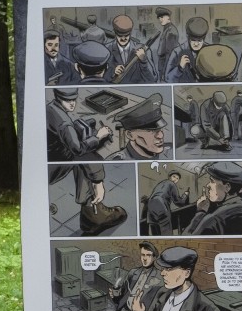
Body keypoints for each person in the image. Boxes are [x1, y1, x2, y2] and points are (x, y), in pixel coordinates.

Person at [46, 87, 127, 235]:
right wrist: (98, 181)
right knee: (86, 158)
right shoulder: (64, 123)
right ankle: (92, 213)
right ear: (59, 98)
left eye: (73, 100)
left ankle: (89, 215)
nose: (72, 104)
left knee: (83, 148)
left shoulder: (50, 108)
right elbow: (78, 150)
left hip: (50, 155)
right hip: (50, 167)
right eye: (67, 100)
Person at [134, 246, 222, 311]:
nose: (162, 273)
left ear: (186, 273)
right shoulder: (161, 293)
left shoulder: (206, 309)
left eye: (169, 269)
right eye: (163, 268)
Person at [184, 162, 242, 235]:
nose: (208, 185)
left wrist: (200, 212)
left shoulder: (213, 219)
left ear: (227, 187)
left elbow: (185, 241)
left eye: (212, 181)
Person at [105, 93, 173, 160]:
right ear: (130, 135)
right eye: (150, 130)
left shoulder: (171, 150)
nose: (160, 135)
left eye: (160, 129)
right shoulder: (116, 162)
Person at [109, 241, 162, 311]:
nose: (145, 258)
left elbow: (159, 307)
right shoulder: (133, 272)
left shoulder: (159, 276)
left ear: (154, 258)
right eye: (143, 255)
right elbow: (123, 295)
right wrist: (115, 295)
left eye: (148, 255)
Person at [105, 14, 157, 84]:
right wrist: (112, 71)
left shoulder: (142, 50)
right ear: (114, 33)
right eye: (120, 35)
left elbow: (153, 79)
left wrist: (143, 62)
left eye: (126, 35)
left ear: (130, 33)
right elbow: (100, 78)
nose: (123, 38)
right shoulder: (107, 49)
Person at [165, 16, 209, 83]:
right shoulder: (177, 52)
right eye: (193, 40)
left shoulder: (209, 50)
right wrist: (180, 68)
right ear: (188, 37)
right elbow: (168, 78)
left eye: (199, 40)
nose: (196, 44)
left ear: (204, 38)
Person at [145, 171, 190, 235]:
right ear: (169, 177)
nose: (175, 179)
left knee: (156, 234)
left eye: (177, 179)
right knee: (167, 233)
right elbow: (178, 202)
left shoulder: (160, 184)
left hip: (150, 208)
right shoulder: (171, 184)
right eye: (174, 176)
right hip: (161, 206)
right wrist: (185, 195)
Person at [155, 7, 179, 75]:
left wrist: (166, 69)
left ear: (168, 17)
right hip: (162, 63)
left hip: (165, 64)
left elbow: (170, 53)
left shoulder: (171, 31)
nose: (160, 19)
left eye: (162, 17)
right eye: (159, 18)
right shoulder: (167, 28)